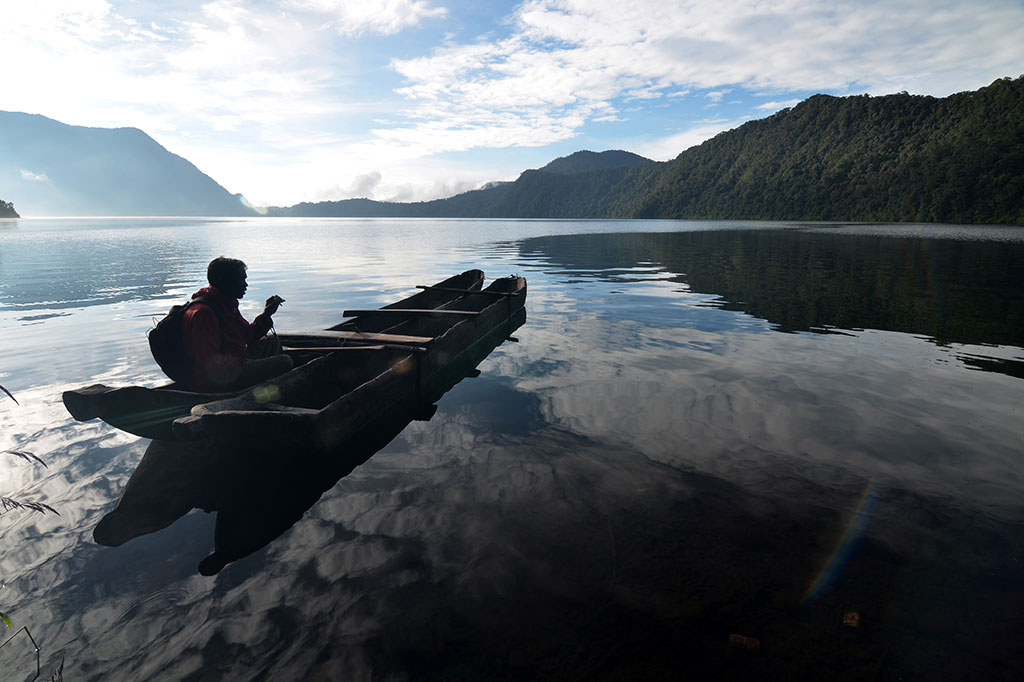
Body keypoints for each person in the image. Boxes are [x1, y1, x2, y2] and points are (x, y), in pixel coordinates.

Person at [182, 257, 294, 392]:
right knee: (285, 362)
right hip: (223, 375)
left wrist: (266, 315)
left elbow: (246, 336)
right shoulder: (205, 314)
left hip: (234, 360)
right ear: (225, 282)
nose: (245, 285)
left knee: (271, 342)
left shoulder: (225, 303)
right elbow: (206, 365)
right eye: (241, 280)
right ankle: (269, 392)